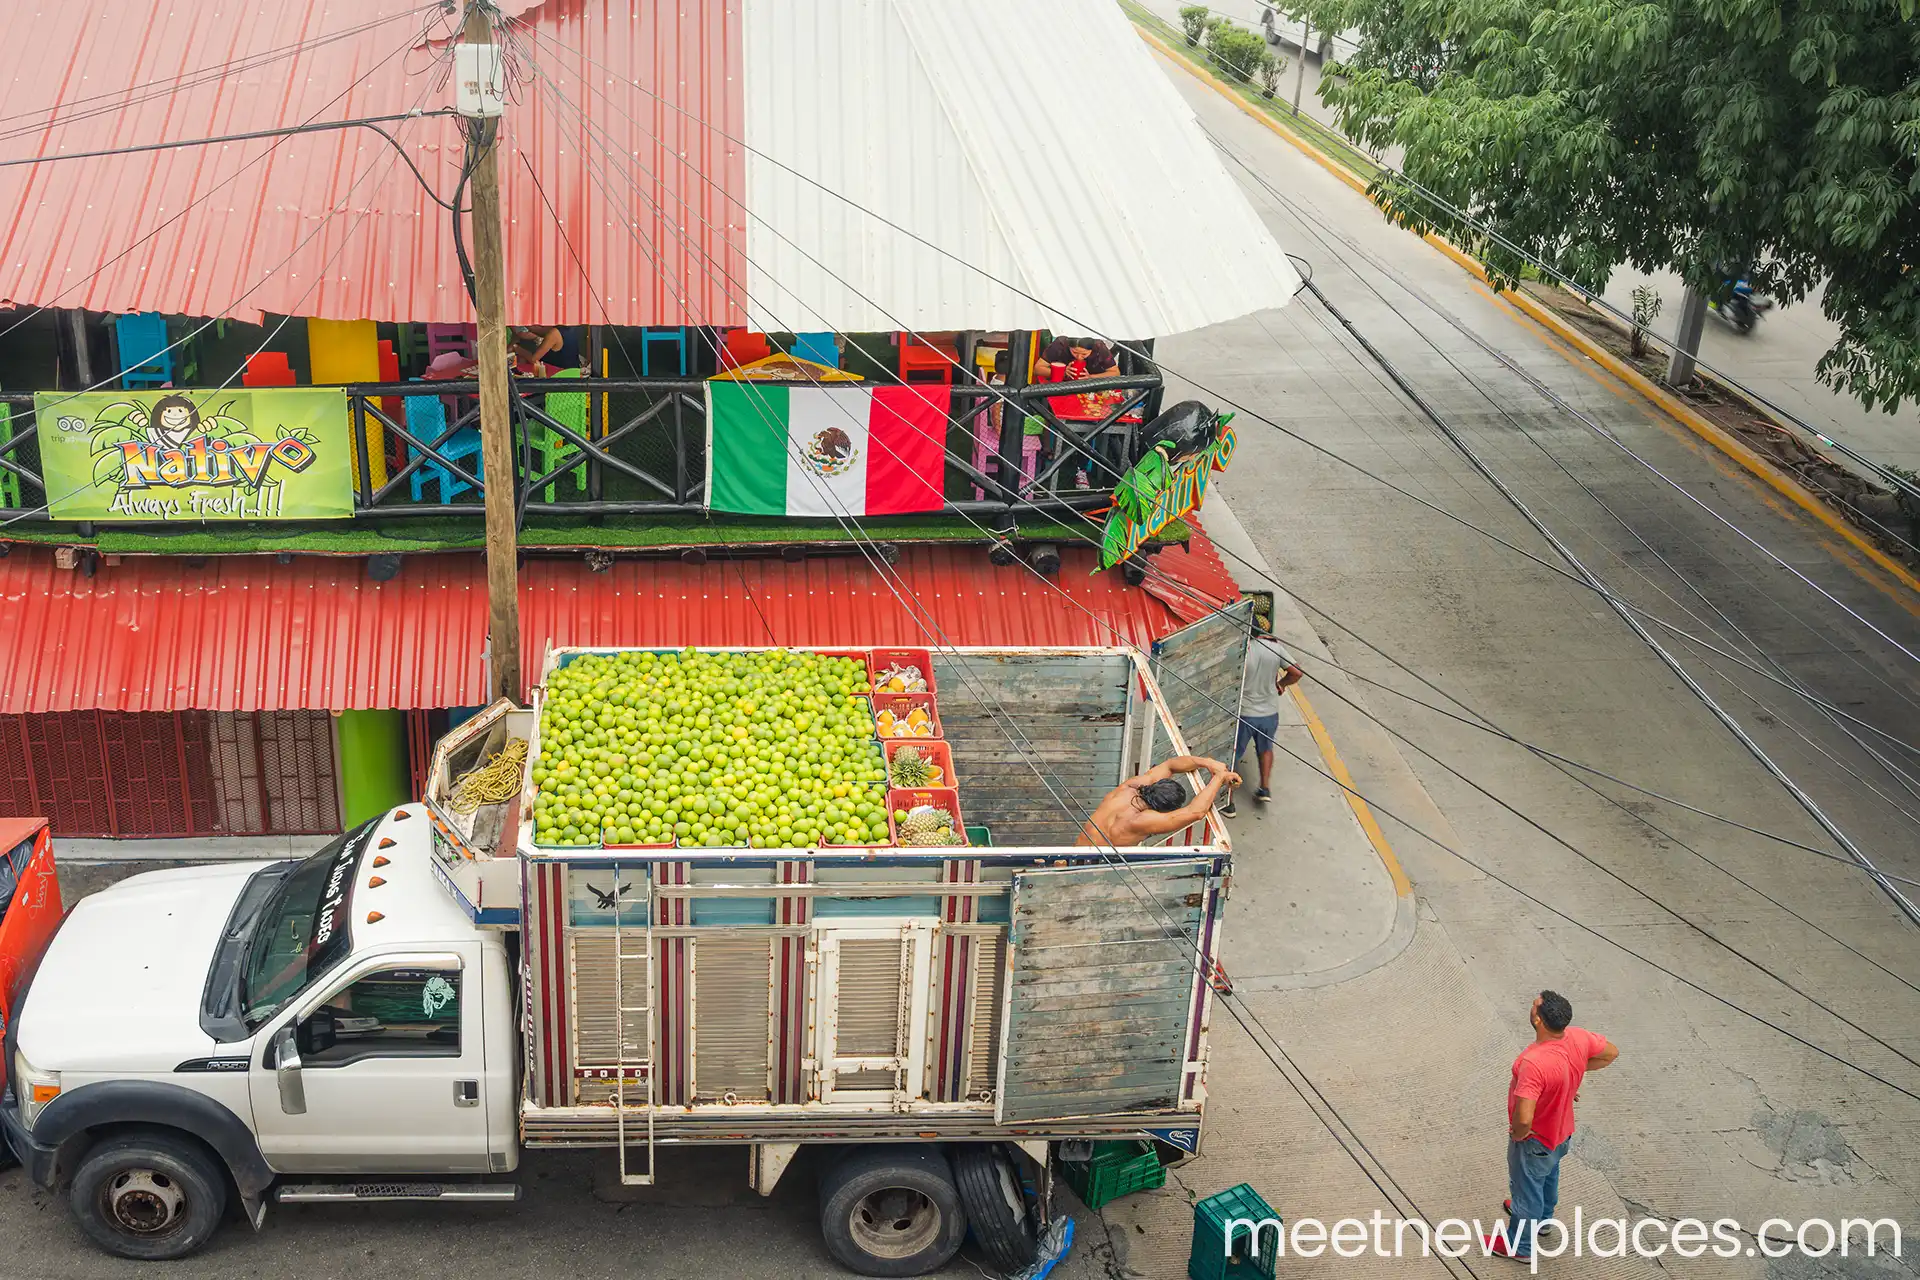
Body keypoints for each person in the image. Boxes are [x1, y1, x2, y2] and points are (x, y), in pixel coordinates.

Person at [1489, 991, 1619, 1262]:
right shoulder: (1579, 1037)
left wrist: (1519, 1134)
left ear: (1538, 1020)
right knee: (1548, 1176)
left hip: (1536, 1140)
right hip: (1561, 1133)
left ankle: (1520, 1247)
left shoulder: (1533, 1062)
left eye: (1534, 1004)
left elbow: (1524, 1118)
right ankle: (1544, 1221)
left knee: (1526, 1192)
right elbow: (1610, 1053)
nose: (1531, 1005)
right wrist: (1567, 1080)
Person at [1222, 628, 1304, 818]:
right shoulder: (1275, 648)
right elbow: (1297, 672)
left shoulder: (1242, 649)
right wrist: (1282, 684)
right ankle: (1265, 788)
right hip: (1269, 712)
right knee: (1266, 749)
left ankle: (1228, 801)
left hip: (1245, 713)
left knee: (1233, 755)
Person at [1077, 755, 1239, 847]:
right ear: (1163, 810)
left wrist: (1208, 763)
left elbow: (1170, 766)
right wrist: (1219, 777)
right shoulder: (1139, 821)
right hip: (1092, 870)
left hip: (1073, 855)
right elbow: (1195, 812)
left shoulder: (1130, 788)